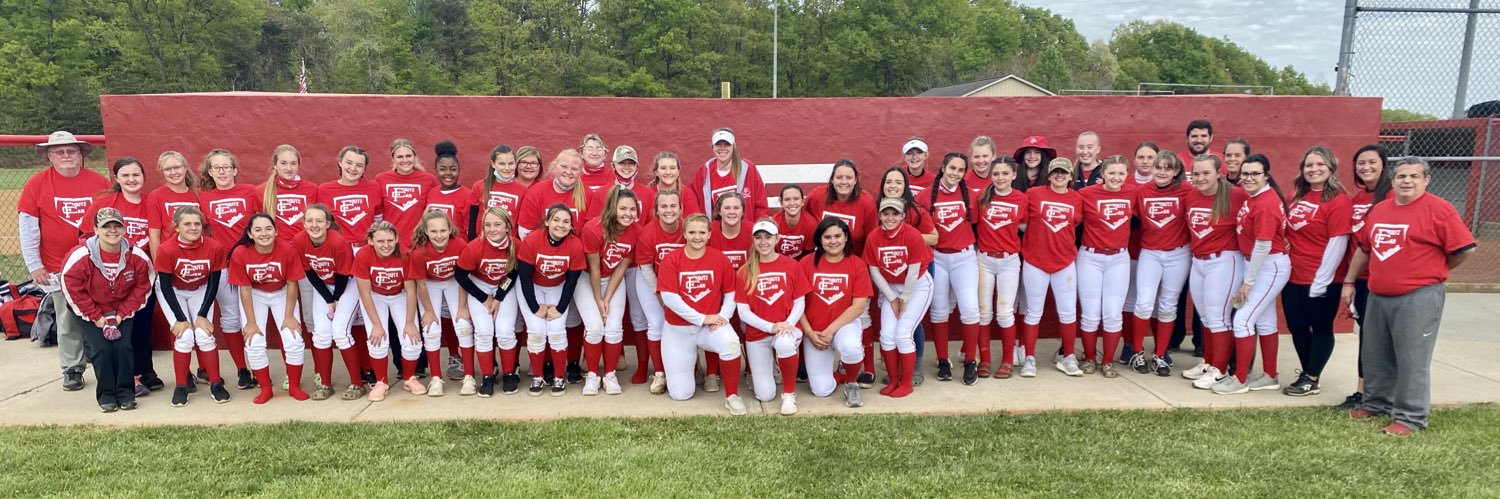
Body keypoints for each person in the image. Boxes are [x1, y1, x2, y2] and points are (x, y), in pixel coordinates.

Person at [1343, 157, 1476, 435]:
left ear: (1426, 180)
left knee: (1412, 359)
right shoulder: (1380, 210)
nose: (1407, 181)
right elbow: (1364, 249)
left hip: (1419, 295)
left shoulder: (1440, 210)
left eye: (1414, 176)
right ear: (1392, 181)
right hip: (1379, 294)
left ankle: (1410, 417)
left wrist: (1436, 269)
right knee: (1375, 354)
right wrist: (1349, 280)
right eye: (1401, 176)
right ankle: (1376, 402)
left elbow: (1464, 250)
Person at [20, 131, 110, 392]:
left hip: (97, 263)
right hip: (57, 265)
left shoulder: (98, 182)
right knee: (67, 319)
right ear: (50, 157)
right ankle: (72, 368)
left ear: (81, 155)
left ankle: (100, 356)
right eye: (59, 152)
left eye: (71, 151)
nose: (66, 156)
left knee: (101, 313)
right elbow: (28, 227)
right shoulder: (37, 183)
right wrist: (35, 264)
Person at [59, 208, 154, 412]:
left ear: (124, 228)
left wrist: (122, 314)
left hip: (121, 310)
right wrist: (96, 317)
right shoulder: (81, 256)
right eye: (106, 226)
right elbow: (70, 286)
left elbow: (143, 287)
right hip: (90, 311)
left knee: (123, 348)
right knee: (101, 349)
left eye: (117, 225)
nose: (112, 230)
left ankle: (126, 393)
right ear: (95, 230)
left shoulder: (136, 256)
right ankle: (106, 395)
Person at [1214, 154, 1290, 395]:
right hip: (1258, 264)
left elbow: (1263, 245)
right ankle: (1270, 375)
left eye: (1255, 173)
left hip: (1269, 265)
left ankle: (1240, 378)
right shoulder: (1255, 197)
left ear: (1266, 175)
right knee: (1265, 322)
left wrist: (1248, 282)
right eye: (1245, 173)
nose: (1248, 178)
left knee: (1243, 320)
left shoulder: (1266, 203)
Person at [1281, 146, 1353, 397]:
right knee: (1297, 326)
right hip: (1293, 274)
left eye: (1320, 164)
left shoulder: (1338, 200)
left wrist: (1322, 281)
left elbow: (1338, 241)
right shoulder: (1297, 196)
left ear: (1331, 168)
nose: (1314, 169)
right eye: (1309, 165)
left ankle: (1312, 377)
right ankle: (1307, 372)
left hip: (1321, 277)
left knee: (1321, 327)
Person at [81, 157, 156, 397]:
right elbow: (85, 236)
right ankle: (130, 377)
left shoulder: (151, 201)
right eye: (125, 175)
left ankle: (145, 372)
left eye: (136, 174)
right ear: (116, 178)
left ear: (144, 177)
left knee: (144, 325)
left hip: (144, 274)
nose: (132, 179)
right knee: (125, 328)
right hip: (113, 276)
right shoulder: (105, 203)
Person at [657, 214, 746, 414]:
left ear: (709, 235)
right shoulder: (672, 260)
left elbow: (731, 293)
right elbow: (670, 298)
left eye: (702, 232)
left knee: (731, 343)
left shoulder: (719, 258)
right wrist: (702, 318)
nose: (697, 237)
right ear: (684, 234)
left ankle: (732, 396)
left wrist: (723, 317)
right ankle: (692, 365)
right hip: (678, 329)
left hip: (709, 328)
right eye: (692, 232)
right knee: (681, 394)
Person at [1181, 155, 1248, 390]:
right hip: (1198, 261)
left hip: (1224, 260)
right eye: (1195, 174)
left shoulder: (1236, 195)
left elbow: (1260, 214)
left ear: (1219, 172)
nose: (1200, 178)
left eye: (1206, 173)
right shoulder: (1191, 195)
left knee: (1219, 317)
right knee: (1206, 317)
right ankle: (1209, 362)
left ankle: (1220, 369)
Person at [153, 206, 231, 406]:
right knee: (185, 335)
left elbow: (214, 282)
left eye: (197, 224)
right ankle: (181, 386)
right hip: (173, 292)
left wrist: (202, 314)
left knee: (205, 335)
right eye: (187, 224)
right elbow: (165, 285)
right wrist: (181, 319)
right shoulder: (166, 248)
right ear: (176, 227)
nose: (193, 228)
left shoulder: (213, 247)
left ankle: (215, 383)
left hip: (200, 290)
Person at [197, 149, 260, 390]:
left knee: (255, 318)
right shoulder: (204, 198)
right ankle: (243, 369)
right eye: (217, 168)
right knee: (231, 320)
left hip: (251, 264)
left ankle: (258, 366)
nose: (222, 172)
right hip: (221, 265)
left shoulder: (250, 193)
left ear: (235, 170)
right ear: (210, 172)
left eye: (227, 167)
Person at [228, 213, 308, 404]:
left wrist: (289, 316)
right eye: (258, 229)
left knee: (293, 338)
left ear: (276, 231)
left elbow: (292, 284)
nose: (264, 233)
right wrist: (251, 322)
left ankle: (294, 386)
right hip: (255, 295)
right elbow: (244, 290)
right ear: (250, 233)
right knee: (254, 340)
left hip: (282, 293)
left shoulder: (287, 249)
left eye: (268, 228)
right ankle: (265, 388)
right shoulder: (240, 253)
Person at [1336, 144, 1393, 410]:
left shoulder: (1393, 196)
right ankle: (1363, 392)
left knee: (1383, 338)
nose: (1366, 167)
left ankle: (1385, 393)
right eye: (1361, 163)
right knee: (1367, 337)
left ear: (1384, 164)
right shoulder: (1357, 198)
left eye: (1372, 162)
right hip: (1360, 279)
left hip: (1382, 280)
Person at [291, 204, 366, 401]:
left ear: (328, 224)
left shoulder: (338, 242)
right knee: (321, 334)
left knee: (340, 332)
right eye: (309, 220)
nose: (314, 225)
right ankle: (325, 383)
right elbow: (309, 272)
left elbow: (343, 275)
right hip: (324, 287)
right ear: (303, 223)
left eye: (319, 221)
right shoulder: (299, 240)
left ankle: (357, 384)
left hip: (347, 285)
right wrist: (328, 298)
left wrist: (336, 299)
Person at [737, 219, 810, 415]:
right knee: (765, 394)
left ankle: (789, 395)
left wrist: (788, 324)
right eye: (758, 237)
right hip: (758, 334)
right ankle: (775, 367)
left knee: (785, 344)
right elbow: (743, 312)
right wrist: (770, 327)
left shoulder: (791, 265)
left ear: (777, 238)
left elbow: (800, 301)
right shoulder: (745, 271)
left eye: (768, 237)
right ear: (753, 240)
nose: (763, 242)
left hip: (787, 327)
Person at [1130, 152, 1193, 377]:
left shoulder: (1187, 191)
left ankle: (1160, 354)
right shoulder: (1142, 191)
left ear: (1176, 171)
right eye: (1159, 167)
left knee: (1168, 304)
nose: (1162, 172)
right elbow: (1132, 219)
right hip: (1150, 252)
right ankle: (1137, 352)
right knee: (1144, 303)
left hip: (1178, 253)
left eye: (1168, 168)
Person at [799, 218, 874, 408]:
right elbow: (796, 303)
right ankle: (840, 375)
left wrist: (831, 330)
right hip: (814, 331)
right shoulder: (806, 263)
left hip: (843, 325)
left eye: (838, 236)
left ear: (846, 237)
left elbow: (858, 306)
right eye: (827, 237)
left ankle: (851, 382)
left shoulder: (856, 264)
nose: (833, 241)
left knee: (851, 348)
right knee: (821, 390)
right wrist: (809, 333)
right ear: (820, 240)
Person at [1019, 158, 1084, 377]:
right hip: (1035, 261)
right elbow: (1022, 221)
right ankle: (1029, 357)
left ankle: (1068, 356)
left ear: (1070, 176)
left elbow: (1074, 223)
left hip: (1064, 261)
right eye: (1055, 172)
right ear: (1048, 174)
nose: (1059, 175)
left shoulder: (1076, 198)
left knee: (1067, 312)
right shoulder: (1034, 194)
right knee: (1033, 312)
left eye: (1064, 172)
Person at [865, 198, 934, 397]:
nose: (890, 218)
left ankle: (906, 382)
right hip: (891, 288)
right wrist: (892, 297)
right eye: (886, 213)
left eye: (895, 214)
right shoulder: (873, 237)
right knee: (887, 336)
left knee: (903, 333)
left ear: (903, 216)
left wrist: (904, 298)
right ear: (879, 215)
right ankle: (893, 380)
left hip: (917, 286)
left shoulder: (912, 234)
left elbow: (913, 271)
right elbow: (874, 271)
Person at [517, 205, 588, 396]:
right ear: (547, 222)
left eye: (566, 221)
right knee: (537, 330)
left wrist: (561, 307)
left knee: (556, 330)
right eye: (556, 220)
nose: (561, 225)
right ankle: (538, 376)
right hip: (531, 287)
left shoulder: (575, 244)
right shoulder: (532, 240)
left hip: (557, 286)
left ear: (571, 226)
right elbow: (524, 277)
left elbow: (572, 280)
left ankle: (558, 376)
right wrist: (534, 306)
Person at [1076, 156, 1136, 378]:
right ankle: (1090, 358)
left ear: (1126, 175)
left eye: (1121, 173)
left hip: (1119, 258)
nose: (1116, 177)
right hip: (1090, 257)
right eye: (1111, 173)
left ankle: (1108, 361)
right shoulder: (1086, 193)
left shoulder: (1132, 193)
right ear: (1102, 173)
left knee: (1112, 314)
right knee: (1090, 314)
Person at [926, 153, 982, 384]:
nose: (955, 173)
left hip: (964, 257)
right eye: (952, 168)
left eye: (960, 170)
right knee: (939, 310)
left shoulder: (970, 196)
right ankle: (942, 361)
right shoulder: (925, 195)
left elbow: (976, 224)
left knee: (969, 308)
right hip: (937, 257)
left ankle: (970, 361)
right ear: (943, 167)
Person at [456, 207, 521, 397]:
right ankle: (487, 375)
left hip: (503, 288)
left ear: (508, 227)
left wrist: (500, 296)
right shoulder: (474, 247)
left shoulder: (516, 245)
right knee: (484, 331)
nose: (492, 229)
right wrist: (484, 298)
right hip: (480, 286)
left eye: (497, 224)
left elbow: (514, 271)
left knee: (505, 330)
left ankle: (509, 373)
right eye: (487, 225)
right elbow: (461, 275)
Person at [580, 187, 640, 395]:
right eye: (623, 208)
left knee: (614, 328)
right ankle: (593, 375)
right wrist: (598, 299)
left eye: (632, 209)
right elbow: (594, 268)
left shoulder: (635, 231)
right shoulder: (593, 229)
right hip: (587, 280)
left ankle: (610, 374)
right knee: (595, 328)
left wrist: (608, 297)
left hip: (613, 279)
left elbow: (621, 268)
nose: (628, 214)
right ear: (612, 208)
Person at [975, 158, 1027, 379]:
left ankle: (1007, 359)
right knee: (983, 312)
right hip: (984, 259)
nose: (1000, 178)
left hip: (1009, 260)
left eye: (1005, 173)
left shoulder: (1022, 199)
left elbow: (1024, 227)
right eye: (996, 173)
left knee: (1005, 312)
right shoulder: (982, 198)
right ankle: (984, 359)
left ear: (1014, 175)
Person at [409, 210, 471, 396]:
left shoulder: (459, 244)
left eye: (443, 230)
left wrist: (462, 307)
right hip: (430, 284)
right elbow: (420, 284)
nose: (439, 235)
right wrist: (428, 311)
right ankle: (436, 378)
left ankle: (469, 376)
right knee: (431, 327)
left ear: (450, 229)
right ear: (426, 232)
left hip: (454, 282)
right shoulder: (419, 252)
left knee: (463, 325)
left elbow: (463, 277)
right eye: (434, 231)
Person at [353, 221, 417, 401]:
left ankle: (409, 378)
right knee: (377, 339)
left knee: (412, 339)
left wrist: (410, 322)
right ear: (371, 241)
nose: (386, 245)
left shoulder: (404, 254)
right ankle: (381, 382)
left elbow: (411, 290)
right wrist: (376, 324)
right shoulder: (363, 255)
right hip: (375, 295)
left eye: (390, 240)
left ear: (396, 239)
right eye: (380, 241)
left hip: (399, 295)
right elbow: (364, 292)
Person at [634, 190, 687, 393]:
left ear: (681, 209)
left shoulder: (687, 229)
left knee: (681, 323)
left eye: (673, 206)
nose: (669, 210)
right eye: (663, 206)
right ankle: (659, 373)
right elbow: (646, 268)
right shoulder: (648, 232)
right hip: (651, 280)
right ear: (656, 210)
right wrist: (660, 295)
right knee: (657, 323)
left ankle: (686, 366)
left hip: (680, 283)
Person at [515, 149, 601, 237]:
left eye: (574, 169)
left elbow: (591, 233)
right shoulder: (536, 192)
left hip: (574, 250)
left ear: (580, 171)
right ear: (555, 166)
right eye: (564, 166)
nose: (568, 172)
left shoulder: (588, 194)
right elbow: (525, 232)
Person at [319, 146, 383, 252]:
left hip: (367, 249)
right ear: (340, 162)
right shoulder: (324, 190)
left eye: (359, 165)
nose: (353, 168)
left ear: (364, 169)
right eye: (349, 163)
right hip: (338, 249)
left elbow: (378, 220)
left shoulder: (374, 187)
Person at [807, 159, 878, 254]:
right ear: (832, 179)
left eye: (849, 178)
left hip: (853, 262)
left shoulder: (867, 203)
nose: (844, 182)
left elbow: (871, 240)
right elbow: (804, 222)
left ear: (855, 180)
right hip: (822, 259)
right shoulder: (816, 196)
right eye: (839, 177)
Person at [694, 128, 768, 218]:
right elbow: (695, 203)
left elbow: (761, 205)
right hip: (715, 230)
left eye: (727, 144)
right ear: (712, 147)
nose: (722, 148)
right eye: (718, 144)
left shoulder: (748, 169)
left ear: (734, 146)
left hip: (745, 229)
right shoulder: (704, 172)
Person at [376, 139, 439, 244]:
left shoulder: (429, 180)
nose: (405, 160)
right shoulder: (381, 179)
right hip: (391, 244)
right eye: (400, 157)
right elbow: (377, 214)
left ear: (415, 156)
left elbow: (433, 212)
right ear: (393, 159)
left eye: (408, 156)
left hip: (418, 242)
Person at [261, 145, 318, 242]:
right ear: (275, 165)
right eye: (283, 163)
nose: (289, 168)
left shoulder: (312, 189)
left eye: (293, 163)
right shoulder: (262, 190)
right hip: (276, 247)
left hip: (304, 246)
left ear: (298, 165)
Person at [472, 144, 528, 235]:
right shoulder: (479, 186)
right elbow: (472, 221)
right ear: (493, 164)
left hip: (509, 245)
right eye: (502, 164)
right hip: (483, 243)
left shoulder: (523, 191)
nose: (507, 168)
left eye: (511, 163)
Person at [426, 141, 476, 241]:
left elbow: (471, 232)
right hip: (434, 251)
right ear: (436, 170)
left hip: (458, 252)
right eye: (443, 169)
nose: (448, 173)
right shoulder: (432, 193)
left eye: (453, 169)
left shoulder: (469, 195)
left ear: (459, 170)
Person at [649, 151, 703, 217]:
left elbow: (694, 223)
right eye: (663, 168)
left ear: (678, 172)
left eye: (672, 168)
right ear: (656, 172)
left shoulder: (687, 194)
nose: (668, 172)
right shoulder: (648, 193)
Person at [610, 146, 656, 223]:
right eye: (621, 163)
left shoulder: (649, 194)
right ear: (613, 165)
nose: (627, 167)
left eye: (631, 163)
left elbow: (653, 225)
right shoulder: (601, 193)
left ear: (637, 167)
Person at [772, 184, 818, 258]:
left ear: (803, 201)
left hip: (801, 265)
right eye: (787, 199)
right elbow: (772, 253)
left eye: (796, 199)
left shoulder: (811, 224)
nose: (792, 203)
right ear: (781, 203)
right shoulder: (774, 223)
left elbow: (809, 255)